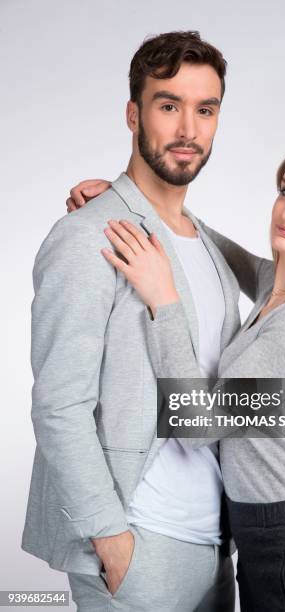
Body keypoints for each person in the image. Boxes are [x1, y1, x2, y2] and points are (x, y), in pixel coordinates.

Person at [82, 136, 285, 611]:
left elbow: (195, 424)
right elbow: (209, 243)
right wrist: (126, 199)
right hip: (266, 540)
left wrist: (163, 300)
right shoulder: (279, 284)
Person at [22, 31, 239, 612]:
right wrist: (110, 539)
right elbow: (58, 405)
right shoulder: (87, 237)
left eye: (205, 109)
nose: (188, 129)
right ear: (133, 114)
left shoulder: (210, 250)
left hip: (218, 546)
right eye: (168, 106)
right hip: (138, 546)